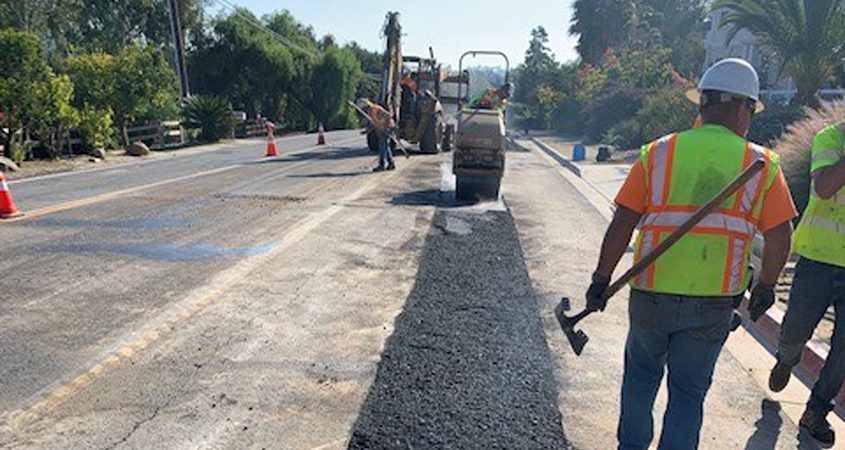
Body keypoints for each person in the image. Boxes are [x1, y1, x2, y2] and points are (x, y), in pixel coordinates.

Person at [586, 58, 797, 450]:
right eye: (750, 110)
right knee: (687, 393)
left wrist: (601, 279)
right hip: (712, 302)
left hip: (651, 291)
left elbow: (622, 223)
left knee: (640, 379)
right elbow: (781, 234)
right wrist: (766, 285)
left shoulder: (659, 152)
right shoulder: (761, 164)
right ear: (741, 107)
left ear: (703, 104)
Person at [768, 121, 845, 445]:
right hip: (818, 259)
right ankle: (787, 358)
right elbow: (825, 187)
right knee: (795, 331)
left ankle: (816, 410)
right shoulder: (831, 137)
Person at [357, 98, 396, 172]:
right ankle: (391, 164)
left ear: (365, 106)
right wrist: (367, 131)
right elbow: (373, 124)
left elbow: (388, 115)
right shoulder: (370, 111)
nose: (363, 111)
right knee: (385, 147)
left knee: (382, 147)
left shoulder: (374, 109)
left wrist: (385, 126)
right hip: (383, 129)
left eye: (362, 109)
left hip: (386, 128)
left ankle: (382, 165)